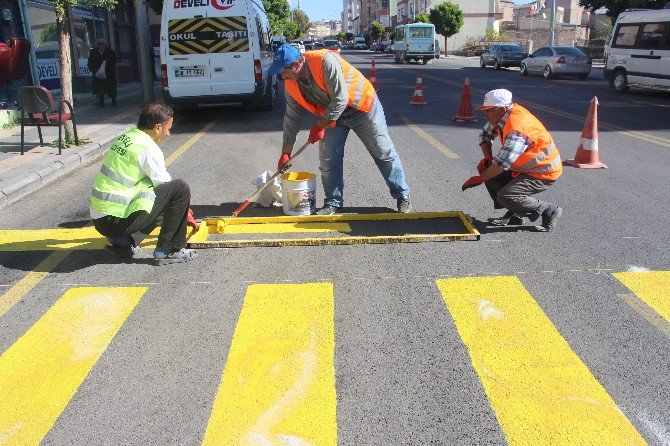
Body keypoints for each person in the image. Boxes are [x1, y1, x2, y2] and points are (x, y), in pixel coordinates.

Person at [270, 44, 411, 215]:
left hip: (360, 107)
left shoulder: (325, 61)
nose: (281, 75)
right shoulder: (291, 85)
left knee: (382, 150)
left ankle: (402, 195)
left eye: (283, 71)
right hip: (333, 116)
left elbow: (341, 98)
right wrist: (286, 152)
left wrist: (320, 125)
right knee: (328, 160)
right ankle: (333, 203)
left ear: (297, 64)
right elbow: (291, 119)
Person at [90, 103, 198, 265]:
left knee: (152, 192)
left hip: (102, 220)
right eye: (168, 128)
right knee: (179, 189)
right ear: (157, 127)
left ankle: (124, 244)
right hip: (115, 220)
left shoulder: (129, 137)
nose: (168, 134)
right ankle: (168, 250)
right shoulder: (148, 149)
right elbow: (168, 188)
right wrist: (186, 213)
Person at [462, 89, 563, 232]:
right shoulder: (503, 116)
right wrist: (488, 158)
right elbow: (484, 135)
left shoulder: (518, 127)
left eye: (488, 110)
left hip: (542, 171)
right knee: (489, 169)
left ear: (501, 109)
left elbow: (503, 162)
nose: (485, 115)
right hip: (523, 168)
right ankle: (516, 213)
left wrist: (480, 178)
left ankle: (549, 210)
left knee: (506, 195)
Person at [88, 38, 117, 106]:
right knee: (99, 87)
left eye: (102, 44)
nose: (100, 45)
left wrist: (108, 62)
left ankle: (114, 101)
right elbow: (90, 61)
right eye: (98, 44)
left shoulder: (110, 51)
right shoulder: (94, 51)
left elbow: (114, 60)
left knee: (111, 87)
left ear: (104, 44)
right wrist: (92, 69)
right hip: (98, 73)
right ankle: (101, 102)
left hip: (109, 73)